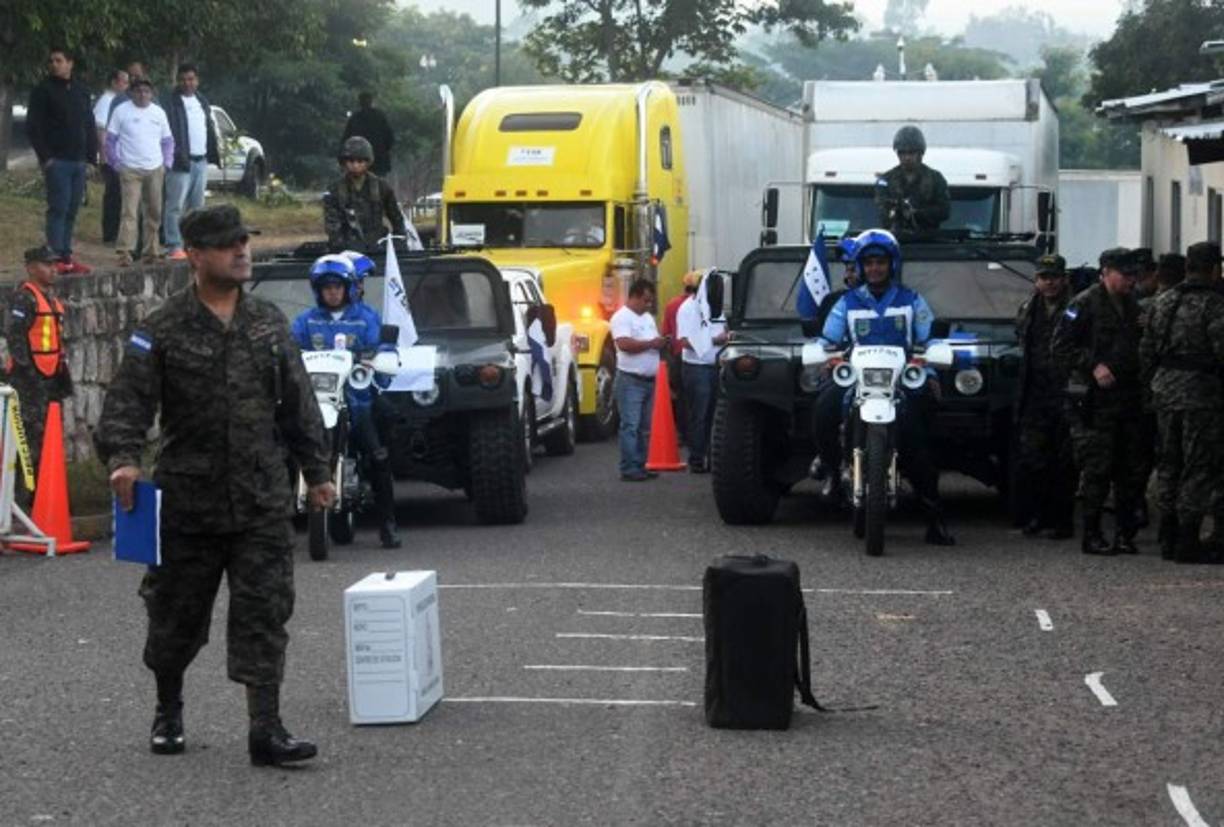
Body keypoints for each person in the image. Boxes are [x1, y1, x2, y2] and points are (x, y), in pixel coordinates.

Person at [94, 205, 334, 767]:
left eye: (244, 242)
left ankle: (266, 730)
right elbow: (127, 404)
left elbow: (299, 405)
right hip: (188, 505)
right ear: (196, 256)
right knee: (174, 619)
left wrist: (318, 473)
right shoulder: (162, 329)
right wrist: (124, 461)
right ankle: (168, 709)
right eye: (228, 245)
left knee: (264, 615)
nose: (241, 252)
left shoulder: (270, 324)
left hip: (259, 500)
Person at [812, 229, 955, 545]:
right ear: (861, 267)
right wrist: (830, 358)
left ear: (892, 264)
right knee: (823, 408)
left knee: (919, 440)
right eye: (869, 263)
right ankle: (834, 472)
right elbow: (827, 341)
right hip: (857, 381)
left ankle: (934, 518)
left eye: (881, 262)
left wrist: (926, 364)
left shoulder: (912, 300)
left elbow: (928, 339)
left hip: (901, 381)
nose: (875, 268)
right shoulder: (846, 303)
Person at [291, 254, 402, 549]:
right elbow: (289, 351)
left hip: (357, 400)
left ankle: (388, 524)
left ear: (349, 287)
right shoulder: (306, 321)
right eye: (326, 287)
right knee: (279, 449)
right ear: (318, 290)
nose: (332, 292)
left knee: (378, 455)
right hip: (315, 402)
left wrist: (383, 359)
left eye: (337, 286)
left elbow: (384, 348)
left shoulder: (366, 317)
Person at [1051, 247, 1146, 556]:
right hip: (1094, 402)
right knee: (1097, 469)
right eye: (1125, 274)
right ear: (1105, 272)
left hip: (1128, 398)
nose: (1131, 280)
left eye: (1134, 275)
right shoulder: (1084, 304)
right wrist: (1092, 365)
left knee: (1129, 469)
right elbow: (1061, 346)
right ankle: (1092, 533)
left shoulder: (1132, 305)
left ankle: (1124, 533)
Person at [1139, 241, 1224, 564]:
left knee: (1169, 464)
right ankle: (1188, 539)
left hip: (1165, 391)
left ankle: (1168, 535)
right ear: (1214, 269)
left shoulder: (1163, 301)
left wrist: (1152, 387)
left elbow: (1146, 351)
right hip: (1200, 395)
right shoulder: (1214, 306)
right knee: (1198, 466)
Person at [1013, 254, 1075, 539]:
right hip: (1035, 393)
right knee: (1034, 459)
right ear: (1036, 280)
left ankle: (1061, 520)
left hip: (1066, 392)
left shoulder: (1076, 308)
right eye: (1043, 277)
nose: (1048, 283)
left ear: (1063, 279)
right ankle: (1036, 515)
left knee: (1064, 461)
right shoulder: (1028, 308)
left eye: (1053, 277)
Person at [4, 246, 74, 481]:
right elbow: (15, 336)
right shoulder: (24, 298)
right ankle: (25, 494)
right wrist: (28, 373)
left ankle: (45, 490)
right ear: (31, 268)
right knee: (29, 438)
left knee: (50, 436)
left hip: (52, 377)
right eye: (47, 265)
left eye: (54, 265)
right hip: (30, 381)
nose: (53, 270)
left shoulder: (51, 299)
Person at [25, 47, 97, 275]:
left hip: (78, 160)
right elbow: (33, 126)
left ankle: (66, 255)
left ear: (70, 63)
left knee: (73, 208)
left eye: (59, 60)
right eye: (52, 61)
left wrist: (91, 158)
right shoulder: (42, 91)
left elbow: (89, 124)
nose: (54, 64)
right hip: (57, 161)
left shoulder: (81, 91)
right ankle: (54, 256)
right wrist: (46, 158)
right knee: (58, 208)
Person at [106, 77, 173, 266]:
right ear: (131, 92)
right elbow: (110, 140)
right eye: (138, 91)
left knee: (154, 211)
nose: (143, 95)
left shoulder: (158, 113)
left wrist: (167, 162)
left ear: (152, 94)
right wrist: (115, 163)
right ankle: (125, 252)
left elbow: (167, 140)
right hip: (130, 168)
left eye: (146, 91)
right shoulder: (121, 111)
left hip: (154, 167)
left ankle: (151, 251)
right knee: (129, 211)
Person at [611, 279, 667, 482]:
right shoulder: (621, 318)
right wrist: (651, 343)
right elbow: (624, 344)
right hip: (630, 380)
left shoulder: (647, 318)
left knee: (645, 427)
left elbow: (650, 341)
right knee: (631, 426)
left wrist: (659, 343)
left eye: (651, 301)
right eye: (645, 300)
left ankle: (641, 465)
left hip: (649, 380)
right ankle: (629, 467)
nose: (648, 305)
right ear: (633, 296)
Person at [164, 63, 220, 261]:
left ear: (197, 80)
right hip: (180, 161)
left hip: (200, 160)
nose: (187, 83)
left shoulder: (202, 101)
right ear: (178, 81)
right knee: (175, 205)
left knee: (197, 208)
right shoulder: (171, 102)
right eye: (183, 79)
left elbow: (208, 129)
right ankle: (173, 245)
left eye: (191, 79)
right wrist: (173, 156)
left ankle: (194, 245)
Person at [676, 270, 728, 473]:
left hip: (715, 366)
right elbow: (685, 341)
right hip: (697, 368)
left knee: (715, 415)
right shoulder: (688, 309)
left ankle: (710, 455)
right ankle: (697, 458)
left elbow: (721, 330)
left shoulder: (715, 309)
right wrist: (716, 340)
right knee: (700, 414)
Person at [323, 136, 407, 252]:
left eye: (360, 161)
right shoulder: (334, 190)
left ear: (368, 162)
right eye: (351, 161)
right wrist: (341, 246)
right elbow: (332, 225)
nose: (355, 165)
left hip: (377, 248)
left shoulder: (381, 187)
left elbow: (397, 219)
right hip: (346, 250)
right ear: (344, 162)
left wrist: (399, 244)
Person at [875, 126, 950, 234]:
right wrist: (897, 212)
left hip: (929, 242)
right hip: (895, 240)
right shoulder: (886, 181)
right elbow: (882, 209)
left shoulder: (935, 179)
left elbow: (944, 211)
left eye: (911, 153)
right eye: (902, 153)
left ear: (920, 153)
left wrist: (916, 214)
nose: (907, 157)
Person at [94, 69, 129, 244]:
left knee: (121, 196)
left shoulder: (121, 101)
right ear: (114, 82)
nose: (127, 86)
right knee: (113, 196)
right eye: (124, 82)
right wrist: (105, 156)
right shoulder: (106, 101)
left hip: (122, 157)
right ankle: (110, 234)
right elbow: (101, 130)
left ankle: (118, 233)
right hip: (111, 157)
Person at [662, 274, 698, 444]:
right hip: (698, 357)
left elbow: (666, 332)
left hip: (677, 355)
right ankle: (696, 433)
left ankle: (682, 432)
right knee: (697, 397)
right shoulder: (700, 305)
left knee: (680, 396)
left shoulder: (672, 304)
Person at [342, 92, 395, 177]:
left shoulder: (355, 118)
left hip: (359, 159)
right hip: (378, 159)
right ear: (371, 102)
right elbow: (390, 138)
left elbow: (346, 141)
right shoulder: (380, 116)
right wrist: (384, 150)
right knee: (377, 182)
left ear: (359, 103)